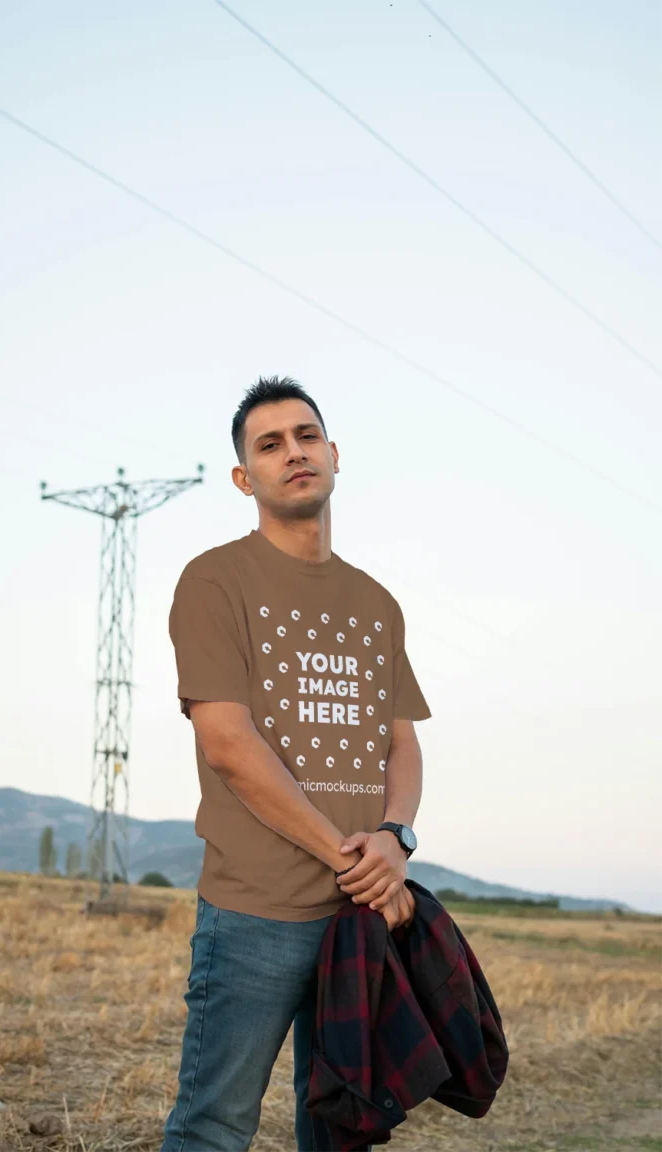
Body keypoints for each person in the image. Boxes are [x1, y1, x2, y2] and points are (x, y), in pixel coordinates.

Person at [160, 376, 432, 1152]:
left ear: (335, 455)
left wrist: (395, 837)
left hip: (357, 920)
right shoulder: (215, 580)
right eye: (270, 444)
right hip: (255, 915)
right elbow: (229, 745)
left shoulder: (376, 603)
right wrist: (356, 861)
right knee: (214, 1128)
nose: (294, 453)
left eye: (306, 436)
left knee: (342, 1130)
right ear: (246, 478)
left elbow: (400, 740)